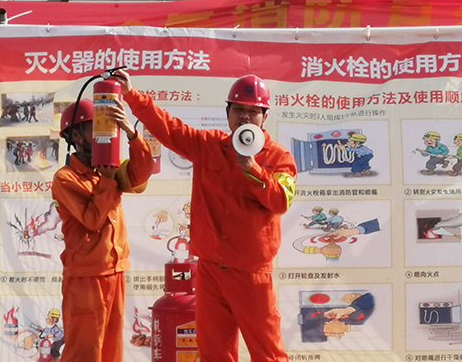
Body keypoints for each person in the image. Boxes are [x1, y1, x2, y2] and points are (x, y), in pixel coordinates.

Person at [112, 70, 297, 362]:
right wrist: (132, 96)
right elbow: (169, 129)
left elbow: (281, 200)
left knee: (268, 354)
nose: (245, 117)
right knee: (214, 353)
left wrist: (253, 169)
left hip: (251, 275)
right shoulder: (209, 145)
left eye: (253, 111)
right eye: (238, 109)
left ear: (265, 117)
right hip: (210, 270)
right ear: (227, 112)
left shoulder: (278, 157)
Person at [51, 97, 155, 362]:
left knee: (110, 350)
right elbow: (93, 220)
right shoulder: (66, 178)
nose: (105, 135)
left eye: (108, 128)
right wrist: (107, 181)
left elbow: (142, 172)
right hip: (86, 278)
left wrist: (131, 133)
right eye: (96, 128)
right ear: (76, 136)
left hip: (114, 271)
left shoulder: (106, 170)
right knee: (84, 352)